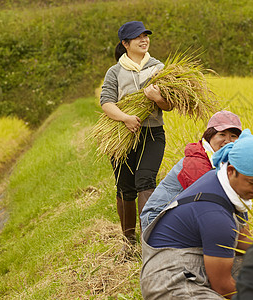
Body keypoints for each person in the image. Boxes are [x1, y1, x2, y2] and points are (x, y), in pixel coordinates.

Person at [140, 129, 253, 299]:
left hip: (194, 263)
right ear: (231, 171)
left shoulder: (226, 185)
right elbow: (224, 287)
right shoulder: (215, 216)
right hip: (169, 281)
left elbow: (241, 239)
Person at [99, 21, 172, 247]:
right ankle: (128, 241)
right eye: (137, 37)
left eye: (146, 36)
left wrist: (156, 98)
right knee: (125, 186)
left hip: (152, 134)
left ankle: (148, 240)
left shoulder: (158, 68)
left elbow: (169, 105)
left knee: (146, 179)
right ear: (125, 43)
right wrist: (126, 118)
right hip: (122, 135)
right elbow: (106, 102)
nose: (144, 40)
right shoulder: (115, 71)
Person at [140, 110, 242, 230]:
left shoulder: (220, 160)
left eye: (233, 136)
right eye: (222, 134)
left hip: (174, 214)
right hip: (156, 219)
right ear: (209, 136)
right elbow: (206, 202)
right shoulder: (198, 161)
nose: (228, 141)